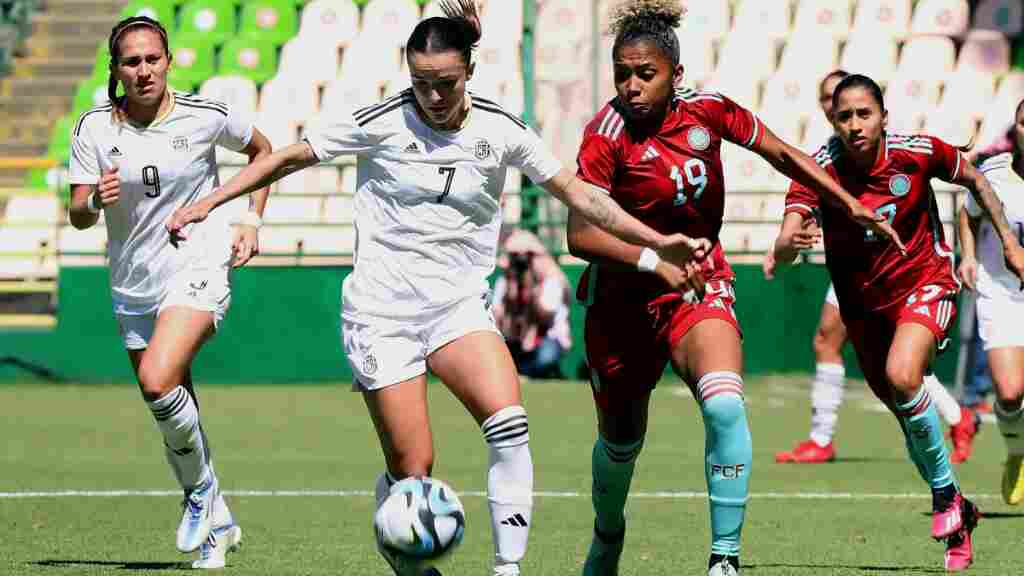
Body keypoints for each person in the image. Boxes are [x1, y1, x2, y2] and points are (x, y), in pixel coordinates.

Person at [164, 2, 711, 575]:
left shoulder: (501, 130)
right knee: (412, 470)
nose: (432, 96)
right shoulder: (381, 122)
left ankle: (508, 570)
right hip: (382, 315)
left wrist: (656, 243)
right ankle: (402, 545)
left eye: (445, 83)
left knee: (510, 423)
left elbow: (584, 197)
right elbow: (289, 157)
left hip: (456, 310)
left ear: (468, 72)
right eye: (421, 83)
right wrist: (213, 203)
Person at [567, 4, 900, 575]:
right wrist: (655, 254)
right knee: (620, 442)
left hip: (698, 287)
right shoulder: (605, 135)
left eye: (644, 74)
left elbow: (784, 154)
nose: (631, 86)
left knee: (724, 404)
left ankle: (725, 561)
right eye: (622, 73)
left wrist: (850, 204)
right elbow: (580, 234)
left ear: (675, 72)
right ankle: (608, 535)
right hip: (620, 302)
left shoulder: (710, 111)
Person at [774, 73, 1024, 571]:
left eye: (863, 114)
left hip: (927, 284)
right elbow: (789, 229)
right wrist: (786, 244)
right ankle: (953, 503)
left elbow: (974, 179)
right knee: (911, 423)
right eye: (843, 116)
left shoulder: (916, 153)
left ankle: (952, 494)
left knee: (904, 374)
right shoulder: (818, 169)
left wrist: (1010, 244)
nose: (853, 125)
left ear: (883, 117)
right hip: (863, 310)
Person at [67, 16, 272, 570]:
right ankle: (217, 520)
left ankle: (200, 497)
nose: (143, 70)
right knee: (168, 399)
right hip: (133, 281)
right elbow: (78, 213)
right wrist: (93, 202)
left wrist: (250, 221)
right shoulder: (93, 128)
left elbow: (264, 153)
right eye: (130, 62)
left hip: (198, 263)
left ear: (168, 60)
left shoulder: (206, 115)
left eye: (151, 59)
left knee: (159, 378)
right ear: (116, 70)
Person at [769, 70, 964, 464]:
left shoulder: (894, 154)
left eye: (838, 102)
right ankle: (950, 423)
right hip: (854, 274)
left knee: (886, 361)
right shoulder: (823, 161)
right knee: (882, 364)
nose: (833, 110)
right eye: (828, 103)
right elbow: (803, 210)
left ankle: (826, 437)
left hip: (897, 271)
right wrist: (788, 239)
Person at [957, 96, 1024, 504]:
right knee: (1010, 391)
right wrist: (967, 255)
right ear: (1014, 130)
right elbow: (968, 213)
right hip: (1000, 291)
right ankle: (1018, 454)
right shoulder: (993, 173)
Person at [492, 229, 572, 379]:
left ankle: (528, 372)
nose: (521, 262)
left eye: (527, 256)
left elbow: (545, 316)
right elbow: (498, 318)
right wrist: (510, 297)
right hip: (515, 337)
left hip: (547, 337)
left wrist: (533, 292)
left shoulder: (551, 280)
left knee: (544, 358)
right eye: (515, 256)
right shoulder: (505, 281)